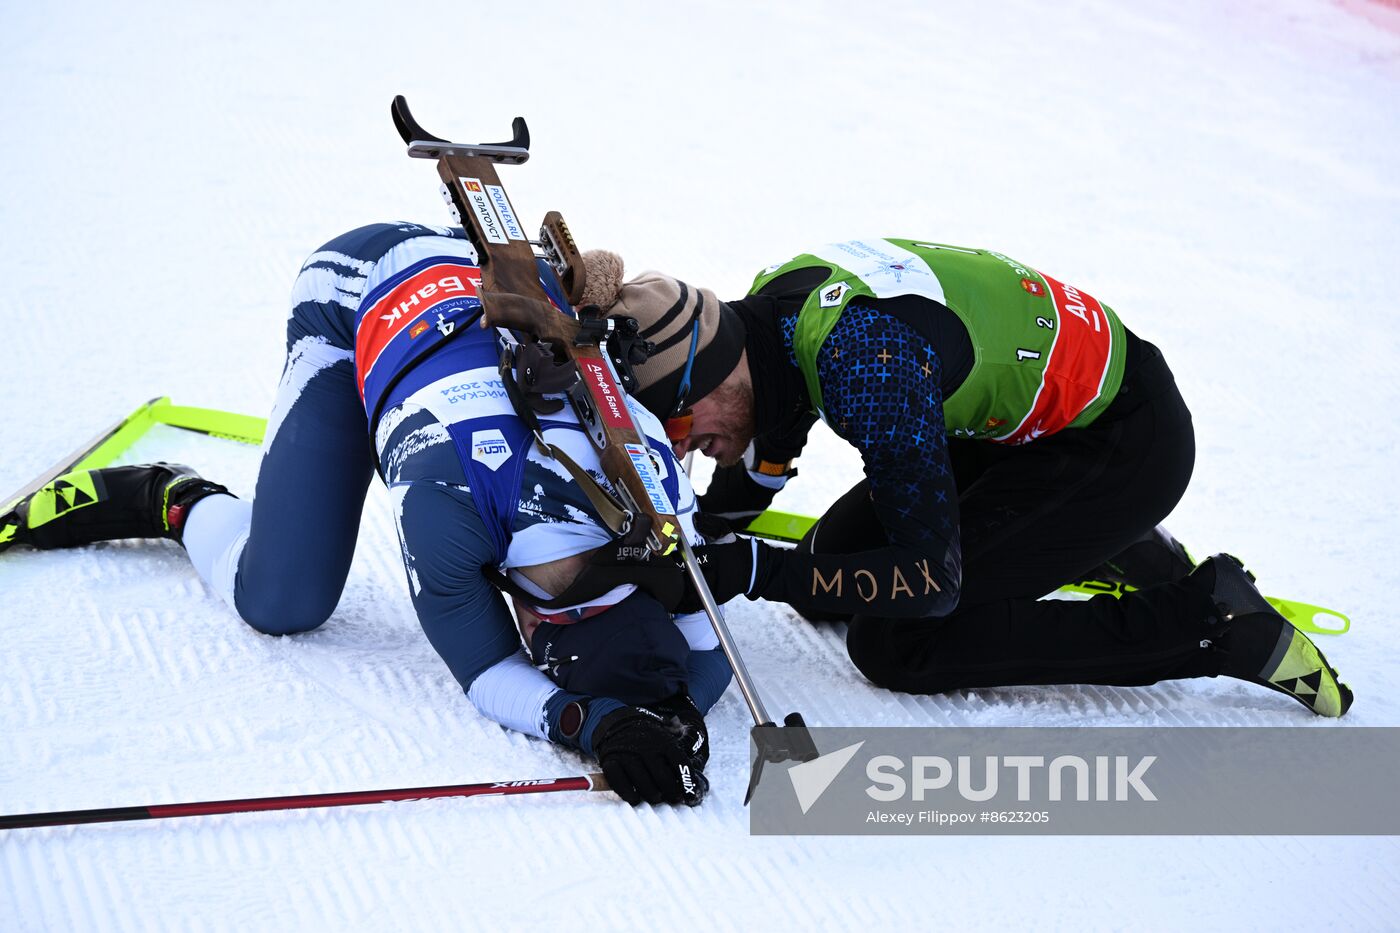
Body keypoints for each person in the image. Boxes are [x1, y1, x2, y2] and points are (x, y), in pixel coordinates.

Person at [0, 222, 734, 805]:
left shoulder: (663, 510)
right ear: (549, 622)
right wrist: (588, 722)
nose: (526, 626)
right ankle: (170, 495)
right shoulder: (449, 515)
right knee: (281, 598)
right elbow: (486, 671)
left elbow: (710, 651)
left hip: (482, 301)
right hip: (358, 291)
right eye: (539, 631)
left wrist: (675, 709)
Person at [582, 237, 1352, 717]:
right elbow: (768, 446)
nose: (684, 448)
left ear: (713, 372)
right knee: (828, 565)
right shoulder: (771, 315)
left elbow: (929, 579)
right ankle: (1104, 543)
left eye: (678, 425)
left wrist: (749, 568)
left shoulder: (862, 362)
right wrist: (698, 538)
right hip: (1033, 423)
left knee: (897, 641)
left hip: (1124, 444)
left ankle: (1212, 622)